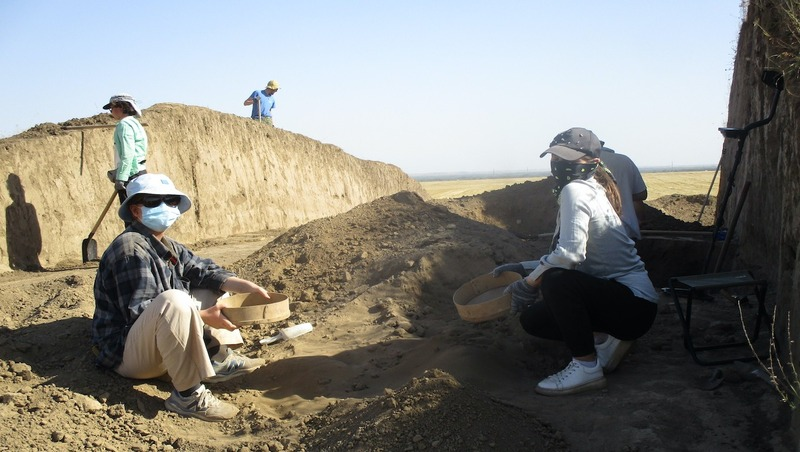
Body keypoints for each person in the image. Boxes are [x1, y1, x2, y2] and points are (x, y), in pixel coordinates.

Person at [92, 173, 269, 421]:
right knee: (175, 301)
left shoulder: (166, 244)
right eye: (153, 201)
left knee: (212, 288)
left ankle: (215, 359)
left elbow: (201, 270)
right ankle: (188, 396)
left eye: (171, 200)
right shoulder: (130, 250)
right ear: (135, 210)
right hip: (124, 354)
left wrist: (240, 285)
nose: (165, 206)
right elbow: (140, 312)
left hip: (152, 341)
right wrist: (204, 317)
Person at [496, 127, 659, 396]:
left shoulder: (575, 190)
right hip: (630, 307)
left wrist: (529, 282)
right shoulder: (589, 188)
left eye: (568, 159)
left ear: (593, 162)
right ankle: (604, 340)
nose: (559, 164)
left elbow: (569, 256)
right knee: (534, 319)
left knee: (556, 281)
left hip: (633, 306)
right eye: (555, 158)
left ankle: (586, 368)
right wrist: (523, 268)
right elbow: (573, 252)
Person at [103, 94, 148, 206]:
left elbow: (128, 154)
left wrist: (121, 178)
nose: (111, 111)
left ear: (122, 107)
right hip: (140, 172)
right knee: (140, 211)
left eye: (112, 108)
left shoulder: (124, 125)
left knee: (131, 213)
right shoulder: (134, 123)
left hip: (131, 175)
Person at [599, 144, 648, 240]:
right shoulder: (624, 160)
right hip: (628, 229)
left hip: (596, 234)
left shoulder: (580, 164)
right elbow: (641, 194)